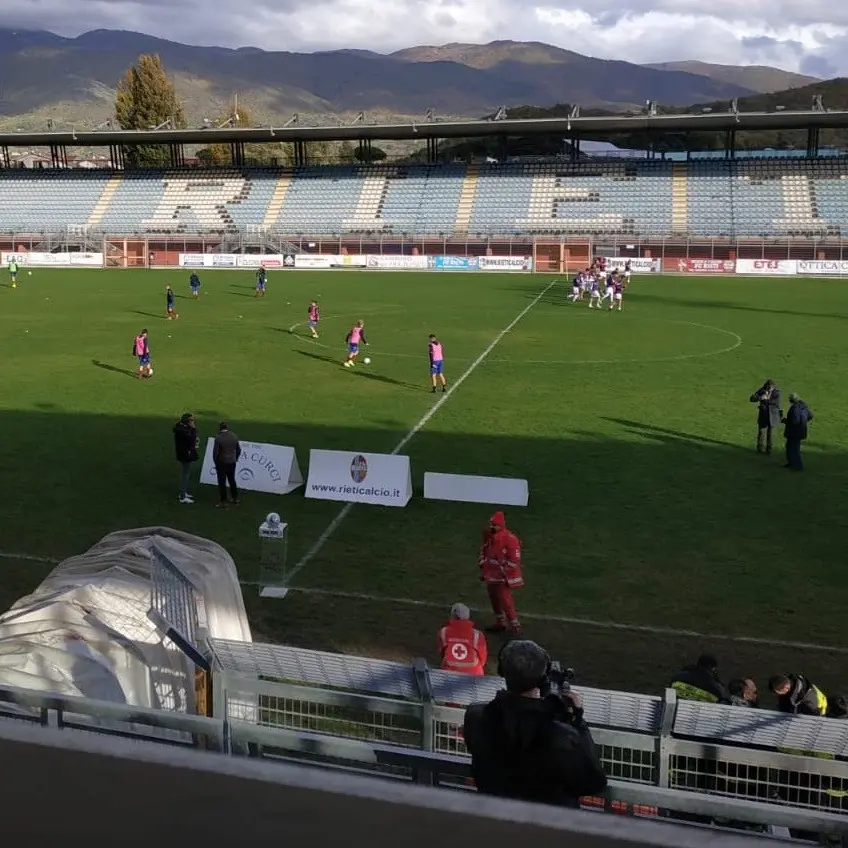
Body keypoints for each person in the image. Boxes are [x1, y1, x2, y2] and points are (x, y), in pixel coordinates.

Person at [463, 639, 607, 807]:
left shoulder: (476, 716)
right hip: (548, 828)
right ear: (542, 680)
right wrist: (577, 722)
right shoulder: (562, 736)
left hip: (495, 820)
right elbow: (594, 783)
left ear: (503, 672)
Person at [478, 511, 523, 635]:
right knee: (494, 599)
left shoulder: (510, 539)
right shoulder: (488, 536)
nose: (492, 527)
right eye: (491, 524)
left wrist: (503, 572)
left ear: (501, 525)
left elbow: (514, 560)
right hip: (491, 575)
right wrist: (483, 565)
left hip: (503, 577)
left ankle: (515, 626)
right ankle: (500, 622)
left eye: (495, 525)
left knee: (506, 601)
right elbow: (484, 550)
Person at [437, 603, 488, 675]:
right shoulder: (478, 634)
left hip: (448, 674)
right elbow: (483, 659)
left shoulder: (443, 632)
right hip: (474, 675)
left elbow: (441, 653)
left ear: (453, 616)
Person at [213, 422, 241, 508]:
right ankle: (235, 498)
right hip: (232, 462)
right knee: (232, 479)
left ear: (220, 429)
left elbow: (215, 453)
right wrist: (235, 458)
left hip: (222, 462)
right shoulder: (234, 436)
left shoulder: (218, 438)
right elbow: (239, 450)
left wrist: (216, 462)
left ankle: (223, 501)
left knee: (222, 482)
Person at [749, 379, 781, 454]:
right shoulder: (762, 390)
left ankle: (769, 449)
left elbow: (775, 403)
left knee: (770, 433)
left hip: (772, 415)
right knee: (761, 432)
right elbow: (752, 398)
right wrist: (760, 398)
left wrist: (766, 399)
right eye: (769, 387)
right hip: (763, 415)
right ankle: (760, 448)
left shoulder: (776, 393)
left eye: (771, 387)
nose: (770, 389)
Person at [782, 393, 813, 471]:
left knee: (792, 448)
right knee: (793, 447)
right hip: (801, 431)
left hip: (794, 432)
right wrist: (804, 422)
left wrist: (784, 420)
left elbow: (794, 421)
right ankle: (793, 464)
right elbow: (810, 415)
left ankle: (797, 466)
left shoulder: (794, 408)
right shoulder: (804, 407)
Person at [173, 413, 199, 504]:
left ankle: (183, 492)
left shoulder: (180, 428)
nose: (193, 422)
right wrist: (194, 429)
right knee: (186, 474)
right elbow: (192, 440)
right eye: (191, 420)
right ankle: (182, 496)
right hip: (185, 454)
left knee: (185, 473)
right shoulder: (184, 432)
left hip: (182, 453)